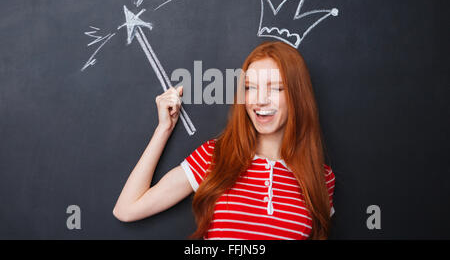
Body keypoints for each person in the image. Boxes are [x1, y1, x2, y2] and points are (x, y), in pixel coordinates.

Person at [112, 41, 335, 240]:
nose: (260, 100)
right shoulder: (215, 156)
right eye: (250, 88)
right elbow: (127, 209)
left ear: (297, 95)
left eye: (276, 88)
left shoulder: (321, 178)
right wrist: (164, 128)